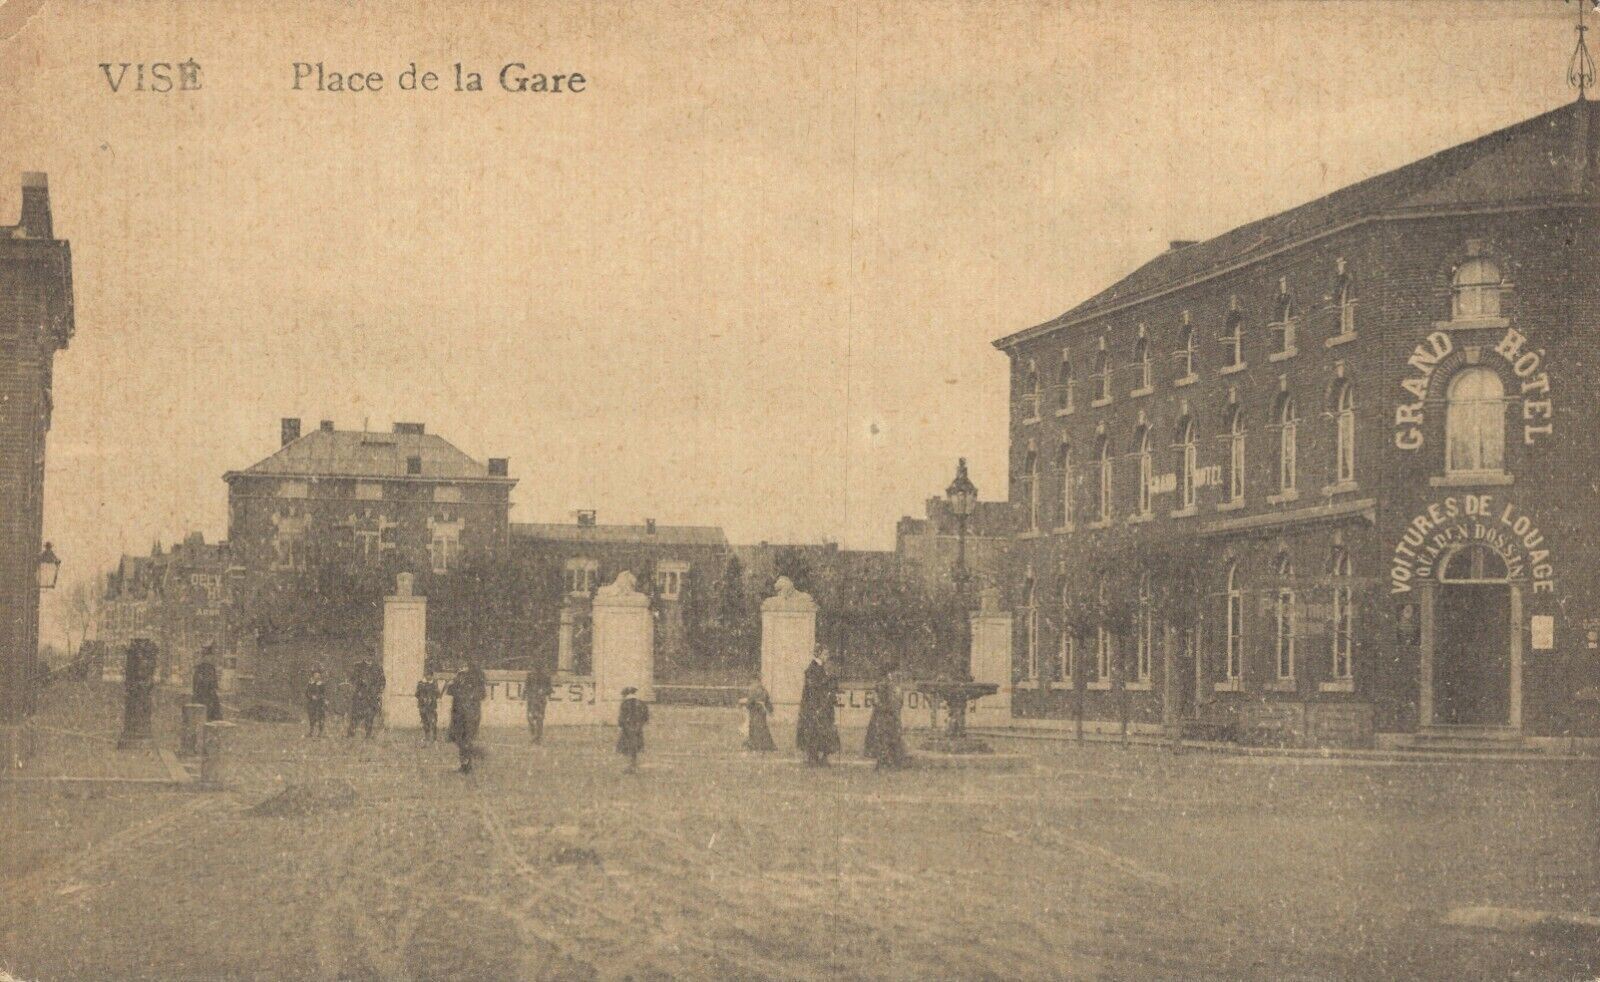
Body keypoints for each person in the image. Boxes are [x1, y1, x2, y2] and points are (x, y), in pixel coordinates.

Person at [796, 649, 841, 766]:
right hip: (815, 706)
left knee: (824, 731)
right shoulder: (813, 669)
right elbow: (814, 688)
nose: (827, 656)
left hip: (824, 705)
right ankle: (813, 757)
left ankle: (822, 757)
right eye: (825, 654)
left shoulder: (823, 668)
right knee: (815, 731)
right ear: (819, 655)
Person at [863, 661, 908, 770]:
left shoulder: (891, 684)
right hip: (885, 715)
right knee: (885, 738)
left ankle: (888, 762)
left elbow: (897, 701)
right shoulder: (884, 684)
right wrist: (884, 707)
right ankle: (886, 762)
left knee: (888, 738)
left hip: (888, 715)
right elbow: (877, 700)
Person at [447, 660, 488, 773]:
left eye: (465, 665)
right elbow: (450, 691)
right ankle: (467, 761)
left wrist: (470, 696)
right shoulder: (459, 676)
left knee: (466, 739)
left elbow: (482, 694)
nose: (463, 667)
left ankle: (466, 765)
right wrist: (453, 681)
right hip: (458, 713)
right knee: (458, 739)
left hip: (471, 714)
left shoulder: (476, 678)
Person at [616, 687, 649, 773]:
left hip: (627, 727)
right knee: (635, 746)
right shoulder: (641, 703)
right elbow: (646, 716)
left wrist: (621, 726)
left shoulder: (625, 703)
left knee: (627, 746)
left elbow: (622, 717)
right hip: (638, 727)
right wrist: (640, 724)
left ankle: (630, 766)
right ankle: (634, 765)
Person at [740, 681, 776, 752]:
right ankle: (764, 744)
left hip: (755, 711)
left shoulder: (753, 690)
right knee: (763, 727)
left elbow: (750, 702)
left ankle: (756, 744)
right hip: (762, 712)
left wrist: (747, 706)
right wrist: (770, 710)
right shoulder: (764, 690)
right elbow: (768, 702)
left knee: (754, 727)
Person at [524, 662, 553, 744]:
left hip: (541, 700)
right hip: (531, 699)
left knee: (539, 718)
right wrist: (525, 694)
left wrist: (543, 691)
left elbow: (550, 689)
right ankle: (534, 734)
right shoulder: (530, 676)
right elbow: (526, 686)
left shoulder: (546, 677)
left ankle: (537, 737)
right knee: (530, 718)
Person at [414, 671, 441, 743]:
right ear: (425, 675)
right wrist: (422, 698)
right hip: (423, 706)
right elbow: (416, 694)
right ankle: (426, 737)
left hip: (432, 706)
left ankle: (434, 738)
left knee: (433, 722)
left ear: (432, 676)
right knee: (425, 722)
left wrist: (432, 698)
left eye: (430, 675)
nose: (428, 677)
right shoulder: (420, 683)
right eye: (427, 675)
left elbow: (438, 695)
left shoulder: (434, 683)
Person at [305, 668, 328, 738]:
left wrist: (319, 697)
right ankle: (311, 732)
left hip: (320, 703)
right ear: (313, 676)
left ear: (320, 676)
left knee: (320, 717)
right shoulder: (310, 684)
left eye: (318, 675)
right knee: (311, 718)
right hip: (311, 703)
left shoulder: (322, 684)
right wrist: (311, 696)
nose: (317, 676)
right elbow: (306, 693)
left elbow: (324, 693)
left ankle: (320, 732)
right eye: (315, 675)